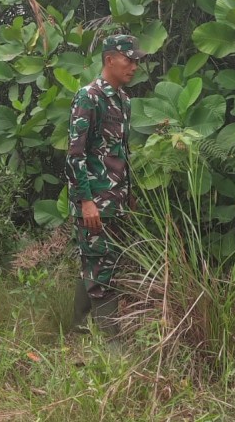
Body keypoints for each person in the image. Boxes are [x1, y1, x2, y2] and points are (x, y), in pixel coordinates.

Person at [66, 34, 147, 337]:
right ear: (110, 59)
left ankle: (77, 328)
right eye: (129, 59)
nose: (134, 66)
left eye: (137, 61)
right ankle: (113, 344)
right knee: (103, 271)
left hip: (116, 199)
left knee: (97, 261)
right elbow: (75, 156)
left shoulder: (123, 101)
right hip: (95, 200)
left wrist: (130, 193)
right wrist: (86, 201)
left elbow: (121, 153)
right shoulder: (88, 97)